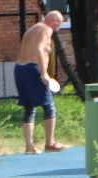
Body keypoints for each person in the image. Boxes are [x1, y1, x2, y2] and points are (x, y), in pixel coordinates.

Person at [13, 10, 68, 153]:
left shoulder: (33, 28)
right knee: (49, 106)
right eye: (59, 25)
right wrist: (44, 73)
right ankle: (50, 143)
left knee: (29, 108)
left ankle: (29, 146)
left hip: (20, 68)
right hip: (32, 68)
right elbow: (39, 49)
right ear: (55, 22)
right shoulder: (46, 29)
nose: (59, 28)